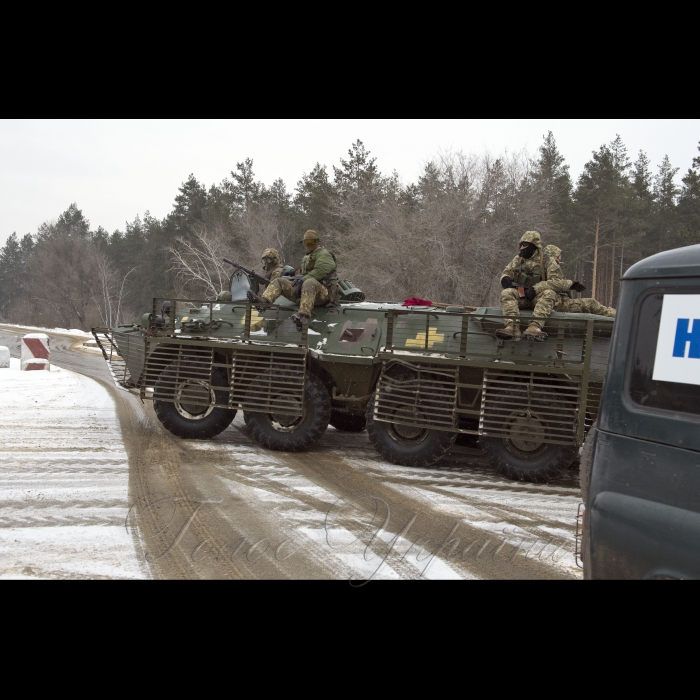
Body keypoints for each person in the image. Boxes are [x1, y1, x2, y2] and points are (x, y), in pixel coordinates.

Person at [247, 230, 337, 329]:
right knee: (279, 281)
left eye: (312, 241)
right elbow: (303, 274)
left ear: (317, 242)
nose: (309, 244)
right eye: (306, 242)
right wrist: (296, 279)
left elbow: (321, 270)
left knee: (309, 282)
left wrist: (303, 280)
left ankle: (303, 316)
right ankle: (264, 302)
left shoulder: (324, 254)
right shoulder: (308, 257)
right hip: (307, 292)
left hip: (323, 294)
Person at [496, 231, 563, 341]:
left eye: (525, 245)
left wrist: (536, 289)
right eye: (521, 245)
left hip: (538, 298)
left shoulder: (547, 261)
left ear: (534, 246)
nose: (522, 248)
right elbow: (507, 272)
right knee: (506, 293)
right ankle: (512, 327)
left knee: (550, 293)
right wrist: (505, 279)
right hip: (521, 295)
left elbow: (557, 282)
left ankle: (534, 327)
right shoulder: (518, 259)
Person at [542, 245, 616, 317]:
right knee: (591, 303)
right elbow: (554, 285)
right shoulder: (551, 267)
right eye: (558, 257)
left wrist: (570, 286)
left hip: (556, 303)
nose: (560, 259)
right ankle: (617, 315)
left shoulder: (543, 269)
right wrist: (571, 283)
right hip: (558, 304)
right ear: (552, 256)